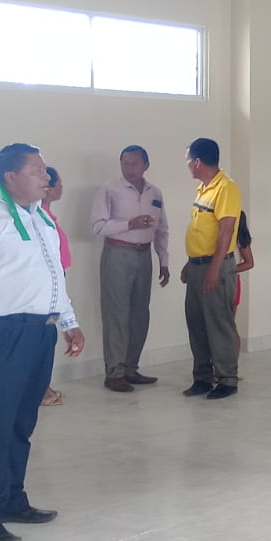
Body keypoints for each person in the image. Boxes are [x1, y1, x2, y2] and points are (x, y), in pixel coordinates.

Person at [0, 144, 83, 541]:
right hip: (0, 333)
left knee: (21, 423)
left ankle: (11, 500)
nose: (47, 177)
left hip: (39, 332)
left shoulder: (40, 217)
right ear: (10, 177)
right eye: (37, 170)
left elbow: (53, 274)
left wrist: (69, 321)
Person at [89, 145, 171, 395]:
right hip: (117, 253)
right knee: (116, 315)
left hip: (144, 256)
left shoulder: (155, 192)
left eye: (135, 163)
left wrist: (164, 260)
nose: (129, 168)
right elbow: (96, 226)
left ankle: (131, 368)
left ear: (146, 165)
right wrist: (129, 224)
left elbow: (162, 229)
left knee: (139, 315)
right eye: (125, 163)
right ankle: (114, 373)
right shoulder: (109, 189)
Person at [181, 137, 242, 400]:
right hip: (198, 266)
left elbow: (226, 230)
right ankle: (202, 378)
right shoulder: (204, 188)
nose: (186, 165)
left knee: (219, 323)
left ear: (197, 162)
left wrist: (214, 269)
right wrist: (190, 262)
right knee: (196, 324)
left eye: (187, 160)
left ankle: (227, 379)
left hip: (215, 266)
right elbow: (202, 231)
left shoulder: (226, 188)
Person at [36, 167, 72, 407]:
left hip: (55, 279)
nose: (61, 188)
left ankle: (42, 385)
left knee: (48, 337)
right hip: (46, 285)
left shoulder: (46, 214)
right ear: (48, 188)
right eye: (58, 183)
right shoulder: (38, 216)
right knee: (44, 337)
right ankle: (40, 389)